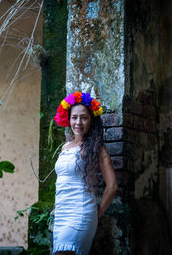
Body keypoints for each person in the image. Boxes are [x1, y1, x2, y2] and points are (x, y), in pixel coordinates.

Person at [52, 91, 118, 255]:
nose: (78, 122)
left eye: (83, 117)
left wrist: (98, 213)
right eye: (74, 117)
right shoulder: (64, 147)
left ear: (91, 121)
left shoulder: (97, 149)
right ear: (69, 119)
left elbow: (112, 186)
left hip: (80, 212)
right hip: (61, 213)